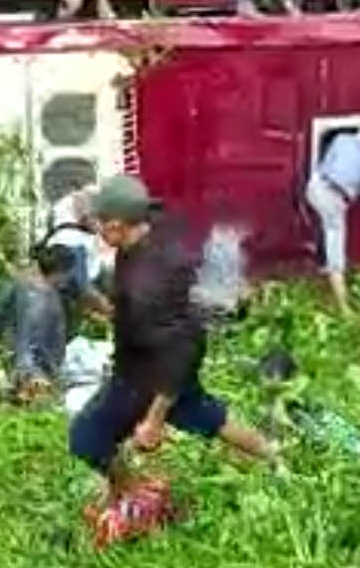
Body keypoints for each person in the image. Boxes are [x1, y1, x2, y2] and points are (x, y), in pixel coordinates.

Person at [69, 175, 278, 538]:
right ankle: (277, 457)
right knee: (209, 416)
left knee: (88, 437)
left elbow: (178, 350)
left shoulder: (147, 281)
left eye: (101, 223)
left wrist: (154, 418)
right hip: (151, 363)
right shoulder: (148, 235)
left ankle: (133, 496)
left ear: (117, 226)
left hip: (150, 377)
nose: (98, 230)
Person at [305, 122, 360, 315]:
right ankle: (343, 307)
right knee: (336, 245)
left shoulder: (342, 139)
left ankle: (321, 264)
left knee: (324, 226)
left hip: (315, 187)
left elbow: (327, 160)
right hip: (334, 199)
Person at [0, 243, 76, 401]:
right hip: (33, 371)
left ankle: (9, 380)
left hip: (6, 358)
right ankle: (23, 386)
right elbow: (49, 349)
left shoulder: (17, 283)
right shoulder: (51, 301)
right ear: (61, 272)